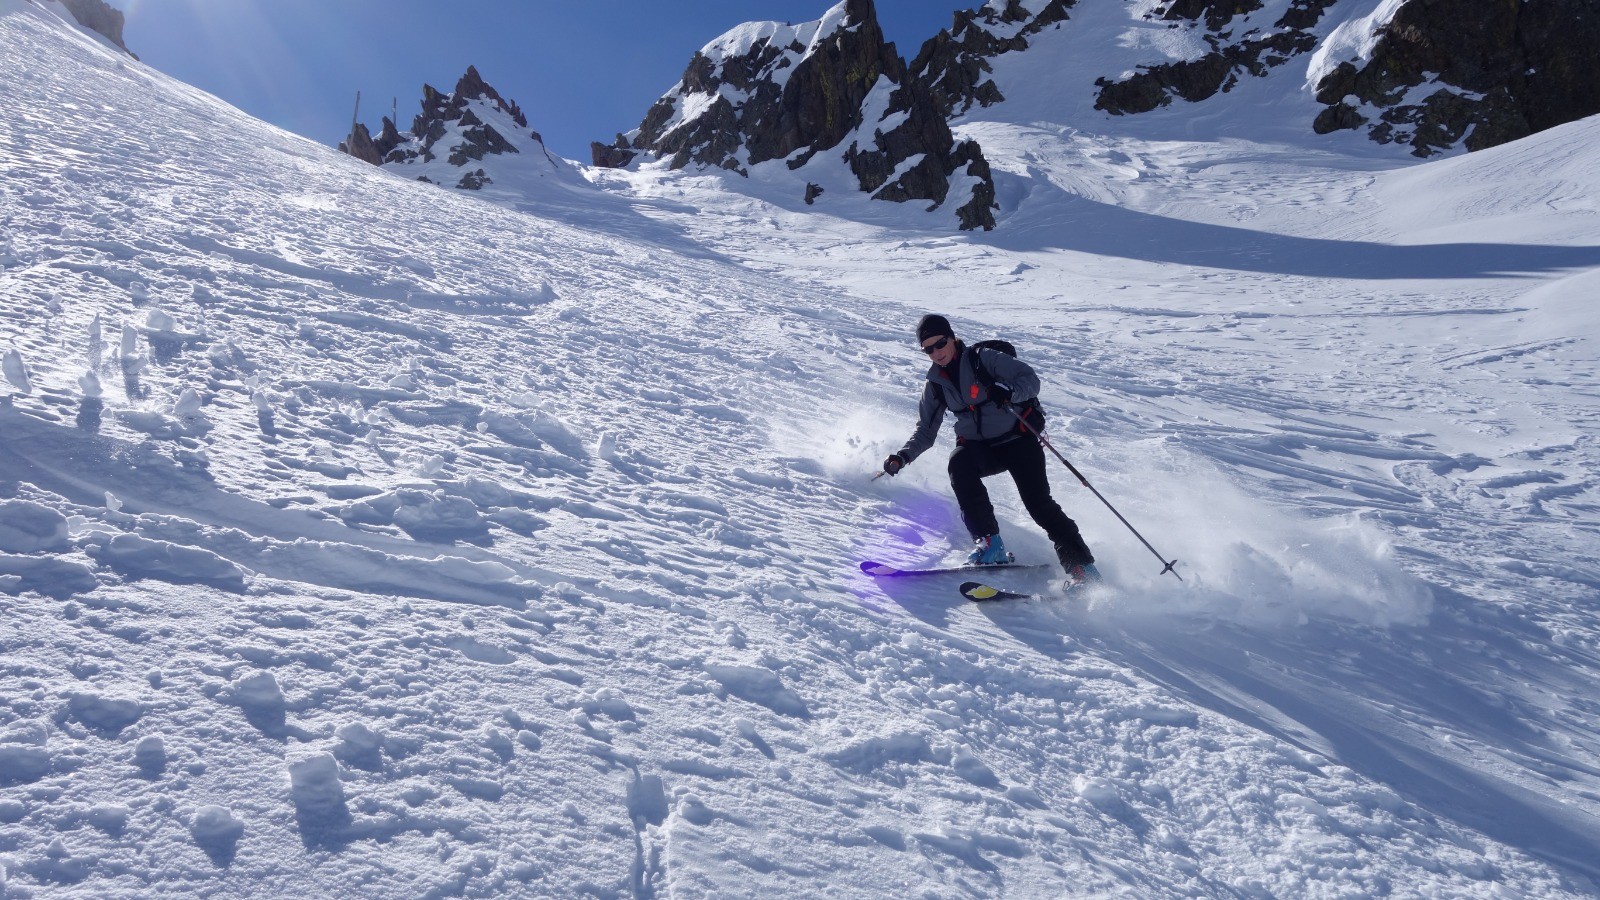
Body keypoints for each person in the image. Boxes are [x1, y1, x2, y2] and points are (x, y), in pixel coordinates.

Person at [882, 314, 1100, 585]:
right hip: (980, 448)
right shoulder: (936, 383)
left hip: (1018, 441)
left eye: (940, 343)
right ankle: (989, 544)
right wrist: (903, 456)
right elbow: (926, 430)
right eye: (928, 349)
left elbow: (1030, 380)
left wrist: (1008, 391)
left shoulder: (983, 359)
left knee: (1039, 505)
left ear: (952, 338)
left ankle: (1082, 569)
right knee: (959, 464)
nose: (936, 352)